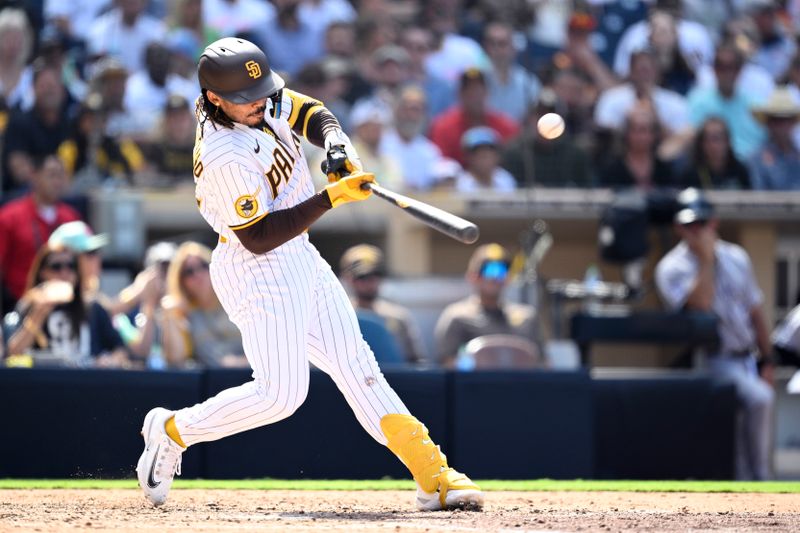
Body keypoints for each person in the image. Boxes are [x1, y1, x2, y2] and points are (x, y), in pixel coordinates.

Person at [135, 37, 483, 512]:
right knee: (281, 395)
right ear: (216, 98)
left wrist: (337, 145)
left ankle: (433, 473)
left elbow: (309, 111)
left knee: (357, 366)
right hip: (255, 266)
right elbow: (258, 235)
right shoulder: (224, 154)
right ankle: (172, 430)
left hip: (299, 254)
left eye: (261, 93)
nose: (260, 104)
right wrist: (331, 197)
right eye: (245, 100)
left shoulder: (251, 97)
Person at [655, 188, 774, 480]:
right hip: (710, 360)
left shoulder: (736, 256)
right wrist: (706, 260)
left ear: (714, 222)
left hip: (746, 358)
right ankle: (755, 481)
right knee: (755, 405)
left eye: (702, 223)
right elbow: (701, 303)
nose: (697, 231)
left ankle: (760, 483)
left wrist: (768, 359)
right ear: (679, 228)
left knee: (756, 413)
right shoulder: (671, 267)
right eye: (690, 225)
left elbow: (755, 311)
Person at [3, 242, 128, 368]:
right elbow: (13, 353)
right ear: (42, 272)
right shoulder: (28, 306)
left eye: (71, 266)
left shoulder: (93, 307)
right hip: (43, 382)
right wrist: (40, 312)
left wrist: (110, 360)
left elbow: (120, 350)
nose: (64, 273)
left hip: (86, 382)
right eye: (56, 267)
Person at [434, 243, 540, 368]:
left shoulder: (526, 318)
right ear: (473, 276)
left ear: (508, 278)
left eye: (502, 271)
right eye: (489, 270)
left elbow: (542, 362)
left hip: (518, 385)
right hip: (475, 385)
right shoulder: (457, 317)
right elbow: (447, 363)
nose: (495, 277)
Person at [0, 155, 81, 315]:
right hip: (19, 309)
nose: (57, 182)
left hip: (66, 310)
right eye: (51, 175)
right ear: (34, 176)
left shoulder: (71, 218)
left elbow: (84, 266)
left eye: (61, 175)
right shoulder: (9, 217)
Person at [160, 241, 247, 369]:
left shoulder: (237, 300)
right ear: (180, 281)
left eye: (203, 265)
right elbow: (175, 360)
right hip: (211, 384)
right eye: (189, 271)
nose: (198, 274)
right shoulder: (183, 314)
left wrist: (240, 363)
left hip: (250, 377)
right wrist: (170, 316)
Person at [340, 244, 425, 366]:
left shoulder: (399, 317)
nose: (370, 283)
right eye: (362, 277)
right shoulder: (337, 317)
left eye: (376, 275)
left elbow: (417, 362)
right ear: (348, 278)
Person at [429, 67, 518, 166]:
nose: (474, 95)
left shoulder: (505, 125)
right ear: (460, 94)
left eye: (478, 90)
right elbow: (441, 165)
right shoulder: (444, 127)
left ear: (486, 93)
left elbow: (513, 158)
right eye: (469, 90)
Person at [748, 87, 800, 190]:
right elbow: (759, 199)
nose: (781, 126)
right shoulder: (756, 160)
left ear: (793, 122)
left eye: (786, 119)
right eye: (776, 120)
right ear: (768, 123)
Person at [679, 117, 751, 190]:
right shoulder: (690, 173)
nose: (713, 145)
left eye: (717, 138)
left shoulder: (739, 170)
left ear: (728, 141)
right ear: (701, 143)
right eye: (707, 139)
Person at [454, 126, 516, 193]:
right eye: (477, 154)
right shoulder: (460, 184)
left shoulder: (506, 179)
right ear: (467, 157)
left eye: (488, 153)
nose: (484, 159)